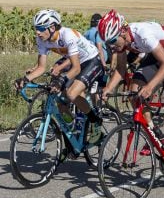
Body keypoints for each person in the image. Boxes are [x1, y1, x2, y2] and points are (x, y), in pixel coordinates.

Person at [98, 10, 164, 177]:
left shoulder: (142, 34)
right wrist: (109, 88)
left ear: (122, 31)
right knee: (133, 92)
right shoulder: (121, 42)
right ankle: (156, 134)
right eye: (109, 43)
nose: (113, 46)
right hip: (154, 55)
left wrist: (150, 86)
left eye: (114, 41)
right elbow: (121, 70)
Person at [14, 9, 104, 156]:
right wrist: (25, 79)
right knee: (60, 101)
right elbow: (41, 68)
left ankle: (95, 121)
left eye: (41, 29)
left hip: (90, 60)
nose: (37, 32)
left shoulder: (67, 35)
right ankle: (72, 137)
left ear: (52, 27)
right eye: (36, 28)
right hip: (74, 61)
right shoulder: (41, 39)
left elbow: (76, 68)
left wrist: (62, 79)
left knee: (71, 93)